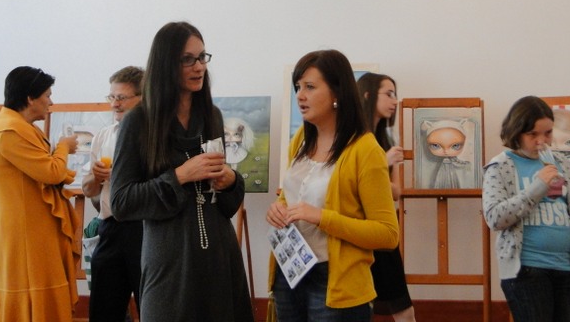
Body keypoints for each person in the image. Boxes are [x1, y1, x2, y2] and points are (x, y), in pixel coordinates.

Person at [110, 21, 255, 322]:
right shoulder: (138, 122)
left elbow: (224, 205)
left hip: (219, 259)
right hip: (170, 266)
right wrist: (180, 176)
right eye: (188, 59)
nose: (199, 66)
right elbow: (121, 202)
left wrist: (230, 181)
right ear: (166, 63)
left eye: (202, 57)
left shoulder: (212, 116)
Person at [266, 50, 399, 322]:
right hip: (289, 271)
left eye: (310, 87)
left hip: (335, 282)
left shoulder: (365, 150)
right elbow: (291, 195)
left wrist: (322, 217)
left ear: (337, 93)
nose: (300, 96)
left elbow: (387, 234)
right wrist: (278, 209)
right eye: (298, 87)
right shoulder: (302, 138)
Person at [0, 66, 80, 322]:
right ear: (30, 98)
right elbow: (51, 173)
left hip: (34, 229)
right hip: (26, 233)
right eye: (47, 95)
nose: (51, 102)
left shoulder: (21, 127)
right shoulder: (9, 131)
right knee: (32, 293)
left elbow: (44, 171)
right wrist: (63, 147)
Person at [483, 96, 570, 322]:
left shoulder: (563, 163)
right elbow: (495, 218)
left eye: (548, 133)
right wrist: (537, 187)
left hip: (565, 267)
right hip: (526, 270)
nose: (542, 141)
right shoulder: (500, 166)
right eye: (533, 134)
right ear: (517, 132)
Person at [82, 65, 144, 322]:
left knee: (150, 305)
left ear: (142, 98)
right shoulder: (104, 136)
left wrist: (122, 174)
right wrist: (96, 177)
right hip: (110, 226)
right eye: (112, 97)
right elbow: (88, 189)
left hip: (144, 228)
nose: (115, 104)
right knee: (104, 309)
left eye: (122, 98)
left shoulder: (154, 135)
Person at [356, 72, 416, 322]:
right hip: (356, 229)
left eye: (395, 94)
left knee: (401, 303)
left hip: (382, 228)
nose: (394, 101)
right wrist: (383, 162)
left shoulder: (386, 139)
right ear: (367, 95)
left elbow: (395, 192)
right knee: (359, 302)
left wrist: (383, 164)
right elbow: (350, 184)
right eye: (389, 94)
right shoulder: (352, 137)